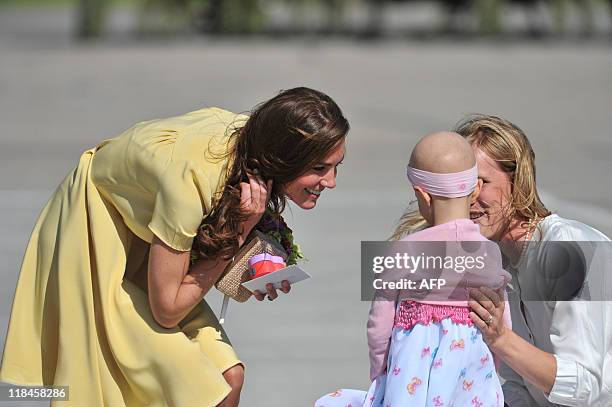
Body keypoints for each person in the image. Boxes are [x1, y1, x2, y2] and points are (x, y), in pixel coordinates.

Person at [0, 87, 349, 406]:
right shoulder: (190, 181)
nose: (330, 182)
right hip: (98, 233)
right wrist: (239, 232)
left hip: (155, 233)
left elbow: (206, 239)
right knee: (177, 387)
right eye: (319, 168)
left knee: (229, 378)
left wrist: (256, 267)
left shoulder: (257, 142)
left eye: (336, 167)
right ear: (284, 157)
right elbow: (167, 309)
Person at [395, 115, 612, 406]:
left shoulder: (566, 248)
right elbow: (522, 385)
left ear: (517, 181)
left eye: (478, 183)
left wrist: (501, 339)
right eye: (457, 186)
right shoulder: (493, 261)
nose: (465, 199)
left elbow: (585, 386)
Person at [315, 131, 511, 407]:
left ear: (422, 195)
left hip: (413, 371)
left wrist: (380, 373)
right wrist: (491, 366)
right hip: (471, 372)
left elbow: (379, 323)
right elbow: (500, 319)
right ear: (475, 189)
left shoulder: (405, 251)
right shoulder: (488, 252)